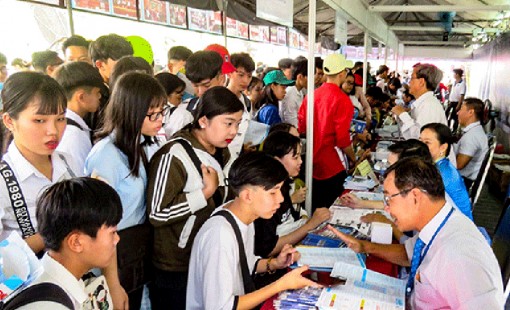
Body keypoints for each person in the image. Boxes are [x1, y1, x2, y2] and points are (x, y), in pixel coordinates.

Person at [329, 157, 504, 309]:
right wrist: (364, 246)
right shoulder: (438, 224)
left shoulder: (459, 254)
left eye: (389, 198)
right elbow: (409, 254)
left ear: (415, 197)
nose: (387, 208)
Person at [146, 86, 244, 309]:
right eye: (228, 123)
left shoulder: (222, 151)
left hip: (208, 255)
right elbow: (157, 213)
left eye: (237, 124)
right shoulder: (173, 155)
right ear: (203, 121)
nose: (234, 131)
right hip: (176, 266)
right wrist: (204, 193)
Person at [187, 152, 320, 309]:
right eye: (273, 192)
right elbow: (221, 307)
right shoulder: (220, 236)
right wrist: (280, 285)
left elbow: (247, 264)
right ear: (247, 196)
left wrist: (275, 263)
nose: (281, 199)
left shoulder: (244, 216)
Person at [84, 72, 167, 310]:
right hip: (113, 258)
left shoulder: (145, 144)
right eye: (153, 113)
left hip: (135, 251)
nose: (160, 119)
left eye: (163, 111)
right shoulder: (106, 155)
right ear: (131, 110)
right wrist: (112, 283)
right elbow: (99, 223)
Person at [0, 72, 80, 255]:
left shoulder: (67, 161)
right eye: (39, 120)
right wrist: (53, 231)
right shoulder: (3, 182)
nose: (53, 131)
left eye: (60, 119)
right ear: (9, 121)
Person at [18, 177, 122, 309]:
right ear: (76, 242)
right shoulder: (49, 305)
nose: (117, 239)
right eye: (112, 232)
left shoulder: (62, 282)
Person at [256, 131, 331, 256]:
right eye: (295, 157)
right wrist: (310, 225)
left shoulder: (285, 184)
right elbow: (268, 249)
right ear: (276, 161)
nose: (301, 161)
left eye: (300, 156)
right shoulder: (266, 195)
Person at [298, 53, 356, 210]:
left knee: (316, 209)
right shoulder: (343, 100)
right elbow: (343, 139)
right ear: (342, 73)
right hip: (333, 165)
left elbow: (302, 128)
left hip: (311, 162)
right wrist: (353, 158)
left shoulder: (310, 96)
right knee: (334, 210)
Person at [54, 61, 103, 171]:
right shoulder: (73, 137)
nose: (99, 96)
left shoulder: (68, 127)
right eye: (97, 92)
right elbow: (81, 181)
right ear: (81, 97)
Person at [391, 63, 447, 140]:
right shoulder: (424, 103)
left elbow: (421, 138)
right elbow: (410, 134)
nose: (409, 82)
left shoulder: (430, 105)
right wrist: (401, 117)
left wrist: (403, 114)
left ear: (421, 82)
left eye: (412, 78)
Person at [226, 52, 256, 162]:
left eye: (249, 76)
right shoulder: (218, 100)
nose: (245, 81)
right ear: (229, 72)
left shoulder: (247, 104)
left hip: (238, 161)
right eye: (241, 75)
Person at [455, 97, 488, 189]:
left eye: (461, 109)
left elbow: (458, 165)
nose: (458, 113)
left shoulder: (472, 136)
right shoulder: (474, 131)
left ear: (471, 112)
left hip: (462, 182)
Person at [155, 72, 193, 138]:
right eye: (179, 97)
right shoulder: (183, 116)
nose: (180, 102)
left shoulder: (140, 112)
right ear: (165, 94)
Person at [281, 57, 307, 127]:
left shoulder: (299, 91)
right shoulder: (290, 94)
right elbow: (291, 122)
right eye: (309, 77)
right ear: (300, 77)